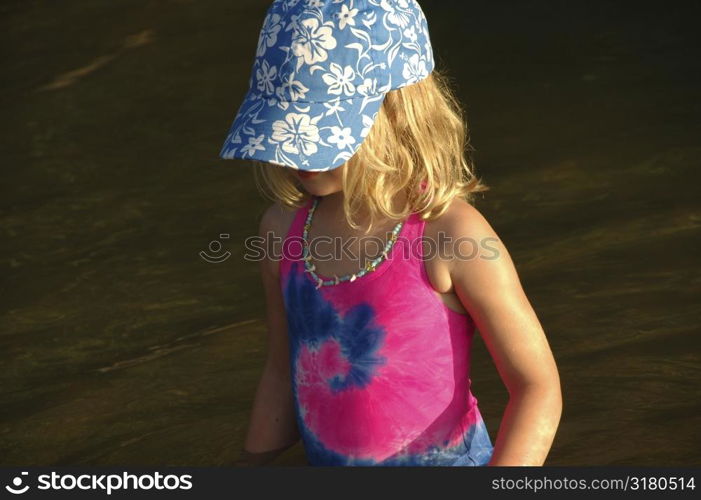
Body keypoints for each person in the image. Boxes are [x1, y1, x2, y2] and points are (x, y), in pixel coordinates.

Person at [220, 0, 562, 466]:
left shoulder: (448, 234)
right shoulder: (283, 233)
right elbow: (283, 372)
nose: (291, 148)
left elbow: (536, 386)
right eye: (285, 127)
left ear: (398, 113)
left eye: (312, 129)